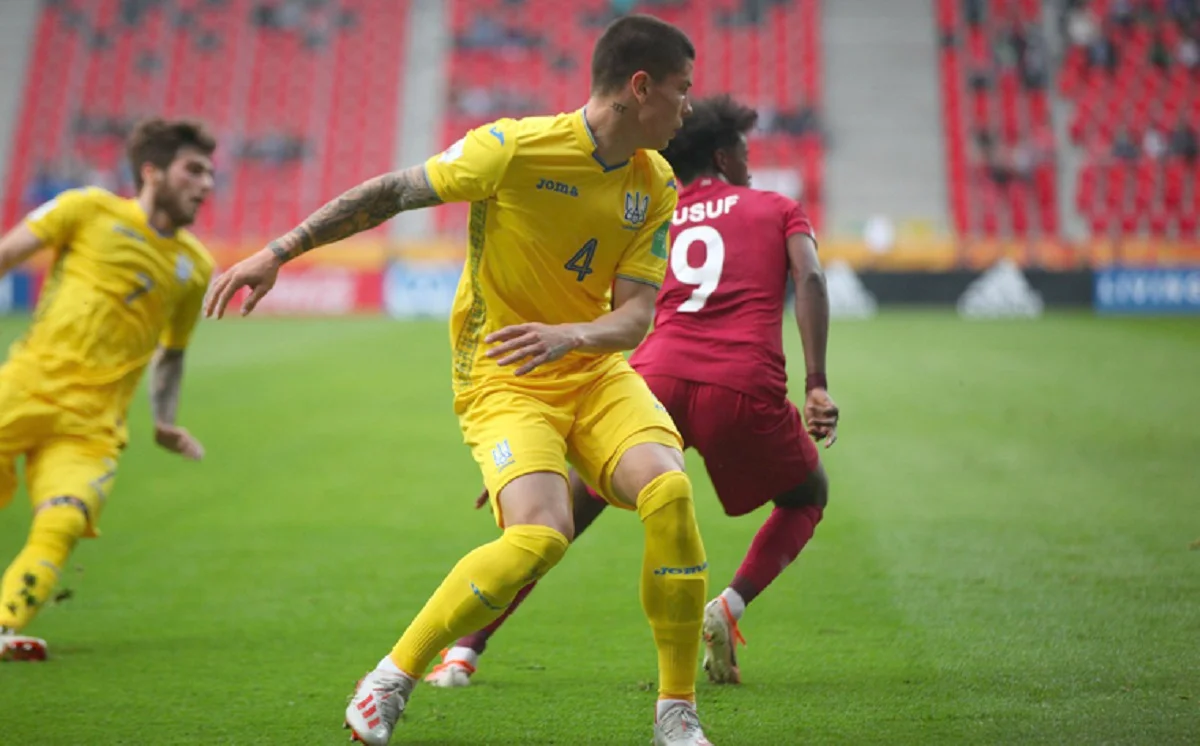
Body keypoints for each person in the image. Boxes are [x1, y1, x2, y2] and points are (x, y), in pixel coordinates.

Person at [205, 14, 713, 746]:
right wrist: (279, 251)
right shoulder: (511, 147)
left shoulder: (654, 181)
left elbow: (635, 317)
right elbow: (391, 192)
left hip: (595, 371)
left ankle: (676, 712)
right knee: (540, 538)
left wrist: (571, 335)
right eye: (680, 89)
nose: (688, 107)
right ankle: (391, 678)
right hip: (504, 376)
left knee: (669, 491)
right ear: (639, 87)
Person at [424, 94, 839, 689]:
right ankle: (729, 605)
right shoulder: (775, 207)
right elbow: (812, 278)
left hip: (654, 375)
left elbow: (611, 303)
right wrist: (816, 384)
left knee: (552, 518)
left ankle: (464, 651)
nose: (749, 161)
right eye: (743, 149)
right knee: (807, 494)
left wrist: (529, 440)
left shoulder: (655, 209)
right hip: (741, 383)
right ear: (724, 156)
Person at [0, 118, 216, 661]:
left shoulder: (195, 267)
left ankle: (3, 624)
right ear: (152, 171)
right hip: (22, 391)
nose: (206, 184)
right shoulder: (87, 209)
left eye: (209, 174)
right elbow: (6, 255)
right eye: (193, 170)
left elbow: (172, 352)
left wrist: (164, 421)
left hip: (93, 426)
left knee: (65, 518)